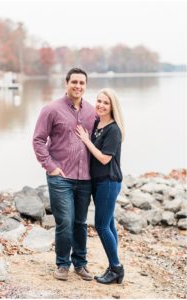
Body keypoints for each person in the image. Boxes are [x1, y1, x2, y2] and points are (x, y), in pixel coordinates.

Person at [33, 68, 96, 281]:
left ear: (86, 86)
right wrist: (50, 166)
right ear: (66, 83)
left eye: (82, 83)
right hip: (60, 176)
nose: (78, 86)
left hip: (85, 177)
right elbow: (38, 140)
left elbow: (100, 138)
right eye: (74, 82)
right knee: (66, 221)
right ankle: (62, 264)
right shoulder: (51, 109)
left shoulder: (92, 112)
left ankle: (80, 263)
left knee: (80, 222)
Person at [76, 88, 125, 284]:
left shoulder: (114, 129)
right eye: (99, 101)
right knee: (109, 224)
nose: (101, 105)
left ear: (112, 106)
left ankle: (116, 268)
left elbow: (104, 159)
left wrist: (87, 141)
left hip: (109, 181)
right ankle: (114, 266)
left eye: (106, 102)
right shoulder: (97, 123)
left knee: (101, 225)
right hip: (98, 182)